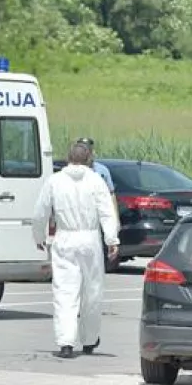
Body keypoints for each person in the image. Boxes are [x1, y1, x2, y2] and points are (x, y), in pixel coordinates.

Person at [32, 141, 120, 359]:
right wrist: (111, 239)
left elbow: (40, 212)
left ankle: (66, 342)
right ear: (89, 158)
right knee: (92, 291)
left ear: (68, 158)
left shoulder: (55, 181)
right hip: (90, 239)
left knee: (65, 292)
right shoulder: (96, 181)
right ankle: (90, 339)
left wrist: (39, 236)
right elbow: (107, 212)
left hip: (65, 238)